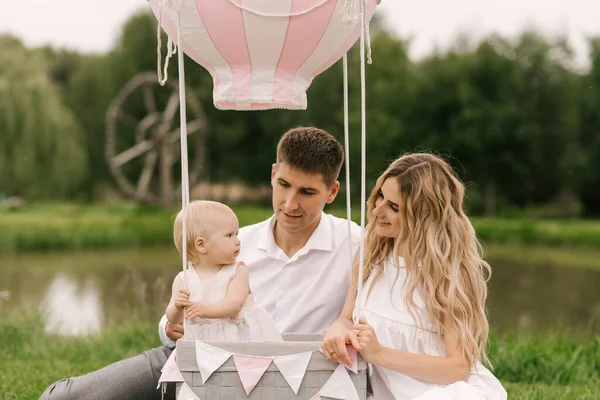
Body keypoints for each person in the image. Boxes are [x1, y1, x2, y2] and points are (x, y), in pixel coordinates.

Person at [40, 127, 360, 400]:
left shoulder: (356, 244)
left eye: (306, 192)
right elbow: (176, 317)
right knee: (63, 396)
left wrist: (345, 322)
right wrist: (171, 327)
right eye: (284, 185)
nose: (290, 203)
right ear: (273, 174)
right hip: (194, 358)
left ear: (331, 192)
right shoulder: (235, 242)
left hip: (288, 377)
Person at [322, 153, 507, 400]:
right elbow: (346, 317)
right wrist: (336, 329)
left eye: (394, 207)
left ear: (423, 216)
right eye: (380, 197)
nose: (377, 209)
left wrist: (380, 354)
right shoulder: (371, 255)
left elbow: (459, 368)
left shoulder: (446, 275)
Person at [165, 200, 281, 342]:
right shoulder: (184, 279)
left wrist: (206, 311)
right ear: (201, 245)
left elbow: (235, 303)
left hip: (237, 338)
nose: (238, 241)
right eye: (229, 235)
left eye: (236, 234)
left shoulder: (237, 271)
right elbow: (172, 318)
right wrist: (177, 307)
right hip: (201, 341)